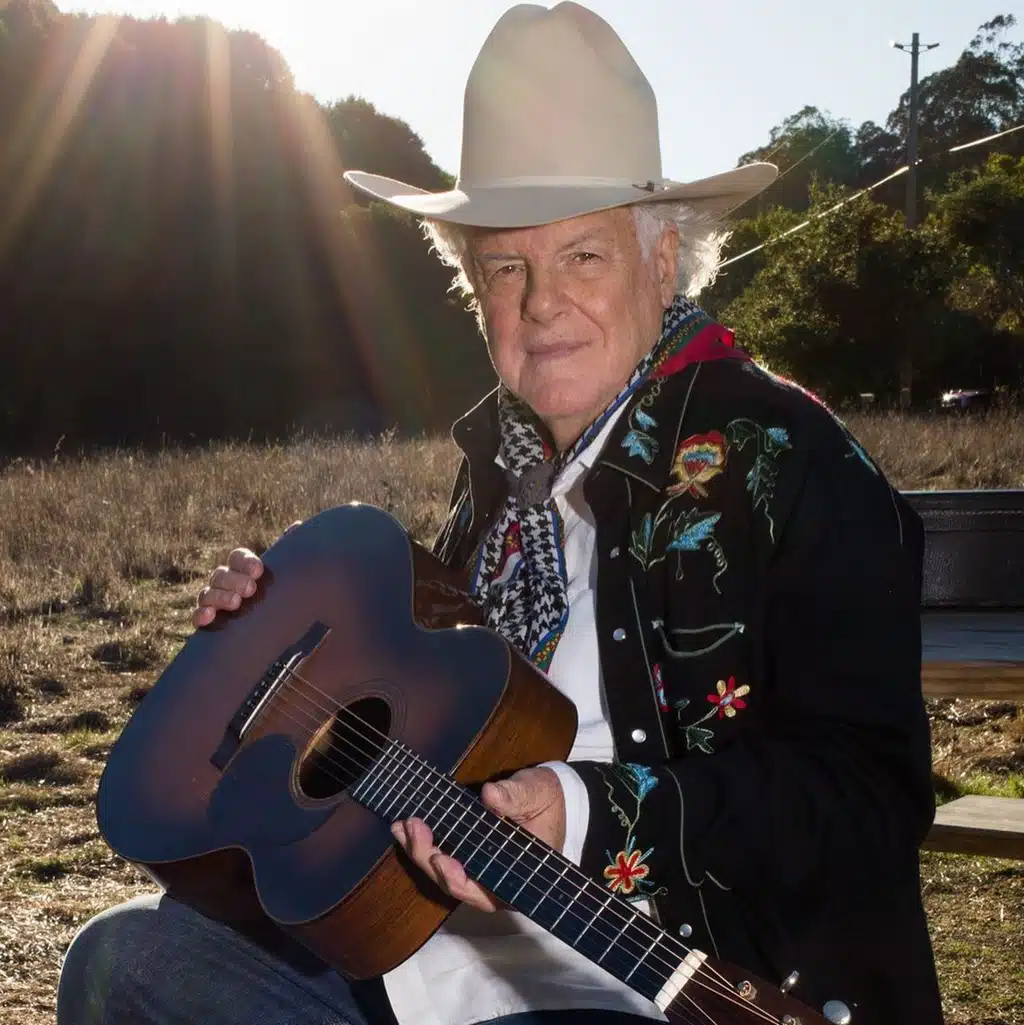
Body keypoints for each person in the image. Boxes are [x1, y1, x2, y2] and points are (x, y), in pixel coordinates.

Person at [57, 4, 944, 1024]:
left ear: (664, 260)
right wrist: (255, 653)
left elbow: (868, 799)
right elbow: (414, 738)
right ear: (471, 288)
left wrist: (583, 812)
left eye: (582, 258)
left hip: (666, 989)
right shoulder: (497, 476)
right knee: (124, 961)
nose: (538, 304)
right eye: (505, 268)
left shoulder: (786, 458)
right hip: (420, 971)